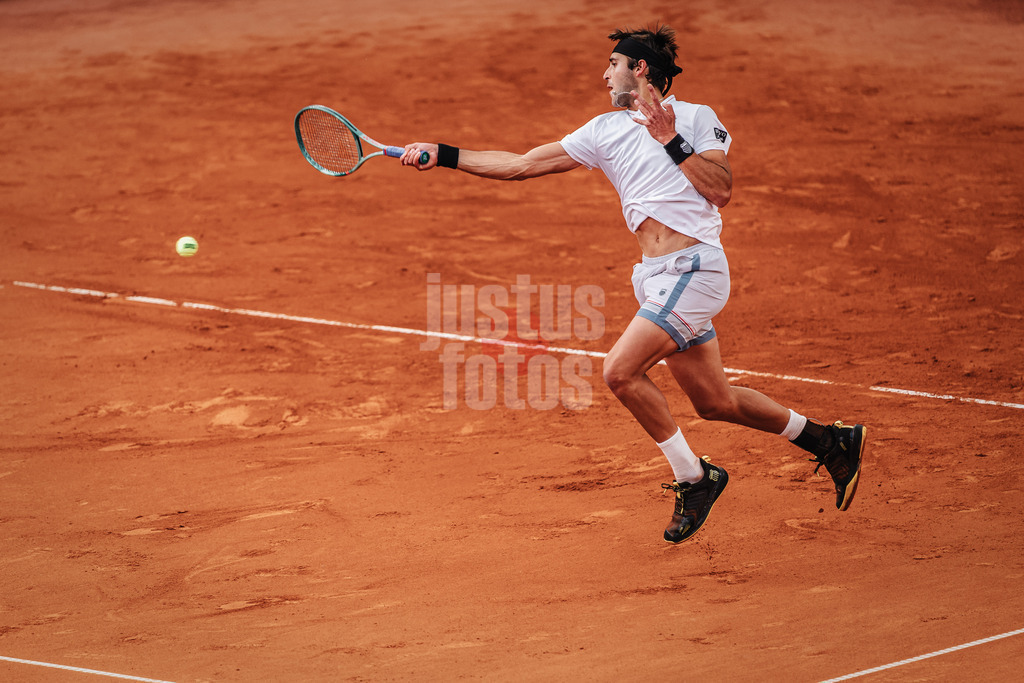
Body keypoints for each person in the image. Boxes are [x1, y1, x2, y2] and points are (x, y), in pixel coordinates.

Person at [400, 25, 865, 544]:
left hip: (695, 270)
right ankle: (829, 440)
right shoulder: (603, 130)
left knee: (619, 372)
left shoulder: (695, 118)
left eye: (613, 64)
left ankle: (695, 478)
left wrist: (668, 139)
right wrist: (442, 153)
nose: (605, 74)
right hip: (654, 279)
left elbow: (721, 190)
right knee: (714, 402)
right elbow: (521, 165)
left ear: (639, 68)